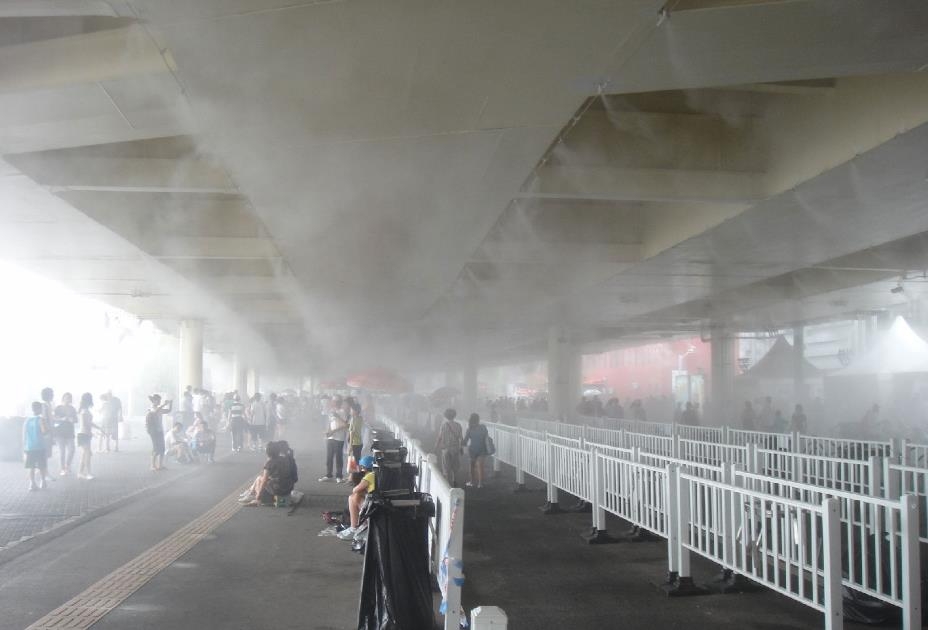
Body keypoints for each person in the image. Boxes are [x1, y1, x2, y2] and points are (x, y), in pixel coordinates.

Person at [239, 441, 298, 506]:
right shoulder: (285, 459)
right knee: (261, 479)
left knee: (259, 479)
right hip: (288, 488)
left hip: (278, 489)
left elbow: (264, 480)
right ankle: (250, 492)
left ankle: (254, 496)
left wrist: (259, 495)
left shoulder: (270, 463)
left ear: (267, 452)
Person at [337, 455, 376, 540]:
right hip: (380, 504)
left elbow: (355, 489)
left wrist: (354, 477)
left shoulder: (370, 476)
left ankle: (354, 528)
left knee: (353, 497)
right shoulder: (378, 473)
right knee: (358, 495)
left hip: (374, 507)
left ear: (363, 468)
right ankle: (360, 526)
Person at [319, 400, 348, 483]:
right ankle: (329, 475)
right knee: (329, 457)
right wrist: (327, 432)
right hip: (330, 437)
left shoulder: (342, 412)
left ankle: (339, 476)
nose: (331, 404)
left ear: (337, 404)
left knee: (338, 457)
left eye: (333, 403)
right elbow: (329, 423)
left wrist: (337, 417)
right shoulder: (331, 412)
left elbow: (345, 425)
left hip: (339, 438)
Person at [434, 408, 463, 487]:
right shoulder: (458, 425)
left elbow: (440, 437)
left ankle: (447, 483)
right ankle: (455, 481)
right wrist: (461, 448)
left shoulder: (443, 425)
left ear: (446, 416)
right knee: (455, 466)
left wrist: (436, 446)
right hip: (455, 448)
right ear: (454, 415)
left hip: (445, 449)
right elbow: (461, 438)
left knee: (446, 467)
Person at [23, 401, 48, 491]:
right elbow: (44, 432)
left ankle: (32, 483)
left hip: (29, 446)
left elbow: (24, 434)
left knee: (31, 466)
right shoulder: (41, 419)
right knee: (42, 465)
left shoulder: (27, 420)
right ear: (39, 409)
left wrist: (24, 446)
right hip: (39, 446)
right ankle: (43, 481)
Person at [77, 393, 101, 480]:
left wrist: (98, 428)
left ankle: (80, 472)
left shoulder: (84, 410)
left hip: (85, 434)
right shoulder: (84, 411)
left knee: (85, 454)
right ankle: (88, 473)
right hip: (84, 434)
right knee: (87, 454)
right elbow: (85, 423)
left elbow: (89, 423)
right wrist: (92, 432)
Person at [145, 394, 172, 471]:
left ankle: (160, 465)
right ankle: (152, 465)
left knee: (162, 448)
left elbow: (168, 411)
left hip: (159, 430)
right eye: (159, 400)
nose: (160, 401)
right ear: (154, 401)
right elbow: (155, 412)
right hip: (153, 431)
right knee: (156, 448)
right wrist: (164, 404)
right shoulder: (151, 408)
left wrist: (170, 403)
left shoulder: (159, 408)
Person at [53, 392, 77, 476]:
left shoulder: (72, 409)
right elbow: (54, 418)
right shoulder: (58, 408)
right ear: (63, 399)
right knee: (62, 451)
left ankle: (67, 465)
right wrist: (62, 419)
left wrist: (72, 420)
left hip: (70, 432)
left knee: (72, 449)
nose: (68, 399)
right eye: (66, 398)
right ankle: (62, 468)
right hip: (59, 432)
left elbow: (76, 420)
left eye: (69, 398)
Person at [463, 413, 489, 488]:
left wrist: (461, 443)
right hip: (482, 448)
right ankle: (480, 484)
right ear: (478, 419)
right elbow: (486, 436)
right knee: (480, 466)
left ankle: (472, 482)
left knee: (472, 466)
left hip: (473, 449)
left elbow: (465, 441)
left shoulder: (469, 429)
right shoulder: (483, 427)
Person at [40, 387, 56, 483]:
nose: (53, 395)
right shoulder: (44, 405)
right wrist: (48, 431)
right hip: (46, 433)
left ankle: (43, 472)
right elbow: (44, 419)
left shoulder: (48, 405)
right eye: (52, 393)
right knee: (44, 454)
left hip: (48, 432)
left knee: (45, 454)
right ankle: (45, 474)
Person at [347, 401, 365, 473]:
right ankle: (353, 477)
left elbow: (352, 432)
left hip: (355, 443)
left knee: (355, 461)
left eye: (351, 410)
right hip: (359, 442)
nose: (350, 411)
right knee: (357, 460)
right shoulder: (360, 419)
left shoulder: (353, 419)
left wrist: (350, 445)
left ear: (356, 411)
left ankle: (355, 476)